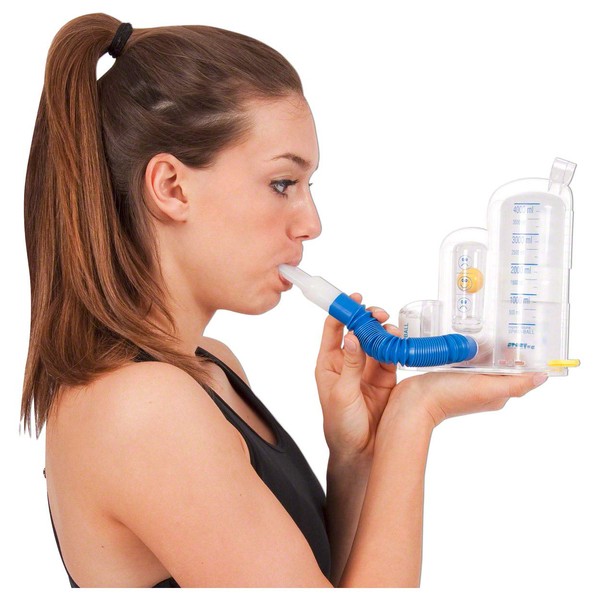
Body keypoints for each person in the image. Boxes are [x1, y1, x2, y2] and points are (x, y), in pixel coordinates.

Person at [21, 13, 546, 588]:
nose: (311, 224)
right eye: (282, 184)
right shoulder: (142, 408)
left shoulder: (209, 367)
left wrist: (356, 455)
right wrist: (415, 416)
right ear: (171, 187)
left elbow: (328, 582)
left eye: (306, 186)